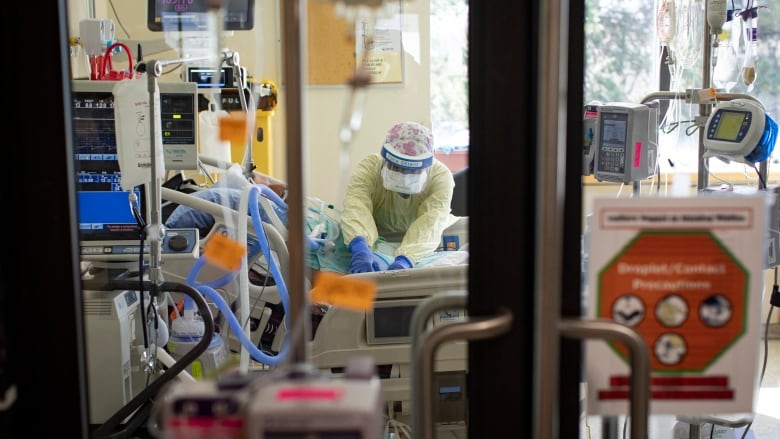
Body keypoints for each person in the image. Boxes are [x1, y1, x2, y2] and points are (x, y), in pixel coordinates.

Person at [341, 121, 459, 273]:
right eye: (396, 168)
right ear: (385, 159)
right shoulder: (369, 167)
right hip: (375, 236)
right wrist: (360, 246)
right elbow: (356, 204)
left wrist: (406, 260)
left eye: (411, 171)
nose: (403, 176)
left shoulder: (440, 177)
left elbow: (432, 221)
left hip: (423, 244)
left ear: (426, 166)